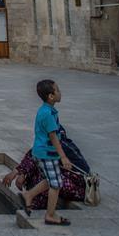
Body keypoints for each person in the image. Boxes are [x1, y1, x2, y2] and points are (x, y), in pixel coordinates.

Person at [21, 79, 73, 226]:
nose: (60, 92)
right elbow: (53, 136)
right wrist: (63, 157)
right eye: (58, 90)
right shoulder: (48, 114)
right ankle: (50, 215)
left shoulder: (46, 110)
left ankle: (29, 195)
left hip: (41, 152)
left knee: (50, 180)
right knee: (55, 184)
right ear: (51, 96)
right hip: (47, 154)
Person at [2, 148, 85, 210]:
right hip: (60, 173)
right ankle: (33, 203)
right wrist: (22, 173)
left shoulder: (55, 137)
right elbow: (35, 153)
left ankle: (32, 200)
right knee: (39, 175)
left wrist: (19, 171)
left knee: (46, 178)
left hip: (77, 183)